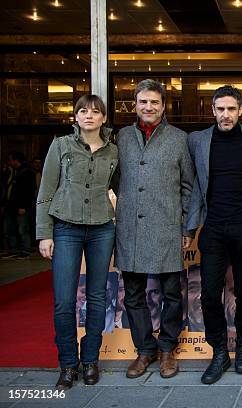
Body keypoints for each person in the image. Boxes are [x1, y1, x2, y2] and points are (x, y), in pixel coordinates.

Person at [36, 94, 117, 389]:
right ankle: (68, 364)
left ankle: (90, 360)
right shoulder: (60, 145)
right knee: (64, 301)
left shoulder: (113, 151)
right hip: (66, 228)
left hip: (101, 229)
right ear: (75, 116)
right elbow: (46, 191)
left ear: (104, 118)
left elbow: (120, 189)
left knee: (97, 297)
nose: (89, 116)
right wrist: (44, 233)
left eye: (95, 112)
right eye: (83, 111)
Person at [115, 79, 194, 380]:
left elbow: (188, 185)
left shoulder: (179, 139)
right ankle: (144, 350)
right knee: (133, 294)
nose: (148, 107)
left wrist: (186, 224)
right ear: (135, 104)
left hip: (167, 228)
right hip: (130, 229)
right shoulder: (121, 137)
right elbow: (114, 179)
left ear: (163, 106)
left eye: (154, 102)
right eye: (143, 102)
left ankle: (167, 349)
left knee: (171, 293)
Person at [184, 85, 242, 384]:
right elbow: (193, 187)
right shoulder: (198, 141)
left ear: (240, 110)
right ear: (213, 110)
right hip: (213, 228)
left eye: (231, 109)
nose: (225, 115)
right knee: (208, 295)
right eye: (220, 109)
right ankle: (219, 352)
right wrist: (189, 228)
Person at [5, 151, 36, 259]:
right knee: (11, 228)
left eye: (10, 160)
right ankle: (14, 249)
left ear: (16, 160)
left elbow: (28, 191)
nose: (9, 162)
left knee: (22, 229)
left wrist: (23, 206)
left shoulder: (27, 172)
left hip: (21, 206)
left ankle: (25, 250)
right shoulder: (13, 171)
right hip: (11, 205)